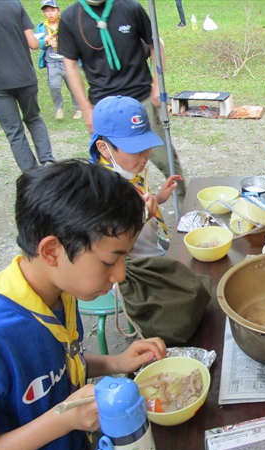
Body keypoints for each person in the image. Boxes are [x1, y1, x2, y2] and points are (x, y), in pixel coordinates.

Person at [0, 160, 167, 450]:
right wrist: (62, 419)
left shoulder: (59, 292)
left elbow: (58, 364)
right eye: (109, 261)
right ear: (51, 251)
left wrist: (115, 363)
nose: (119, 275)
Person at [57, 0, 186, 199]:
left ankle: (183, 203)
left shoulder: (130, 7)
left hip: (140, 98)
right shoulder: (70, 18)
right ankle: (127, 212)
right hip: (104, 106)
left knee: (163, 156)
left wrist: (158, 83)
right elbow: (71, 65)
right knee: (114, 166)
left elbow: (155, 43)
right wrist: (86, 109)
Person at [89, 95, 182, 258]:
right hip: (137, 265)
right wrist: (142, 218)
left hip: (155, 247)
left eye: (147, 146)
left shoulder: (126, 172)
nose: (145, 155)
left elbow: (136, 202)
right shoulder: (101, 192)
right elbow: (109, 248)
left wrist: (157, 198)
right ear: (104, 148)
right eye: (135, 149)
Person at [0, 0, 56, 172]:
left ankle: (32, 174)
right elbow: (33, 44)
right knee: (34, 119)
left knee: (14, 131)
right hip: (24, 76)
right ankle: (49, 163)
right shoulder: (13, 4)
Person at [35, 0, 83, 121]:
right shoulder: (42, 27)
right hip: (52, 62)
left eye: (52, 10)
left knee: (73, 85)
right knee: (54, 85)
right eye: (46, 11)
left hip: (66, 61)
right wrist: (45, 42)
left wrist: (59, 43)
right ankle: (59, 108)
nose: (50, 14)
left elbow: (75, 41)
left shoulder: (66, 25)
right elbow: (38, 44)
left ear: (58, 11)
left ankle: (79, 108)